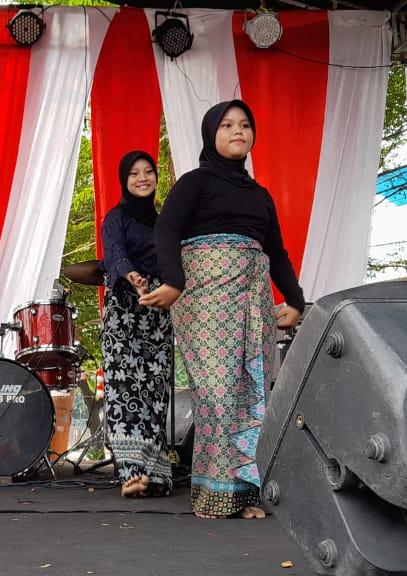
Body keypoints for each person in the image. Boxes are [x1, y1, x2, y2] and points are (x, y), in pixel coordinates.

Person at [140, 100, 306, 520]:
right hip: (206, 301)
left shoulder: (260, 195)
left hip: (252, 302)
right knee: (217, 395)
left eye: (245, 125)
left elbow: (277, 252)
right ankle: (213, 495)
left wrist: (295, 300)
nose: (238, 131)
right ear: (210, 133)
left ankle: (244, 495)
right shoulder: (195, 183)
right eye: (227, 125)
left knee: (251, 396)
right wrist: (173, 282)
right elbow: (166, 228)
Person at [100, 150, 174, 498]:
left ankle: (154, 476)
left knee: (154, 395)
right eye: (134, 174)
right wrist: (132, 276)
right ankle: (131, 473)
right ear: (123, 180)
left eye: (148, 172)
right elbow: (115, 253)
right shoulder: (115, 218)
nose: (142, 178)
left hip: (158, 315)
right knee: (124, 392)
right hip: (125, 314)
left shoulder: (165, 223)